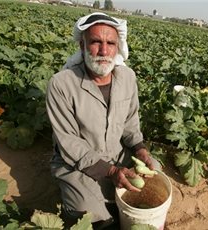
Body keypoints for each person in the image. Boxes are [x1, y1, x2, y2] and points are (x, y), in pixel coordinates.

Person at [46, 12, 160, 228]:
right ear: (82, 45)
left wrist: (140, 149)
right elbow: (69, 142)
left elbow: (130, 121)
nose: (104, 50)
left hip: (117, 154)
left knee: (156, 175)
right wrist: (110, 171)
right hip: (76, 164)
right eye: (96, 42)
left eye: (110, 43)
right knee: (90, 215)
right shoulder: (61, 84)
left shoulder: (127, 78)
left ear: (118, 47)